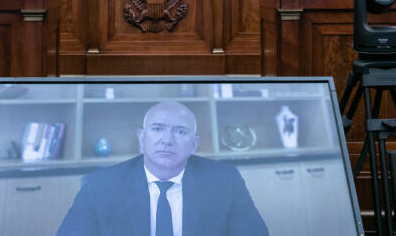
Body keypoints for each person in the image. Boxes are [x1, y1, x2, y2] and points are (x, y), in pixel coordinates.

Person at [56, 101, 268, 236]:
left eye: (181, 132)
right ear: (141, 138)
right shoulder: (101, 185)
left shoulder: (225, 181)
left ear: (194, 145)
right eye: (158, 129)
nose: (167, 140)